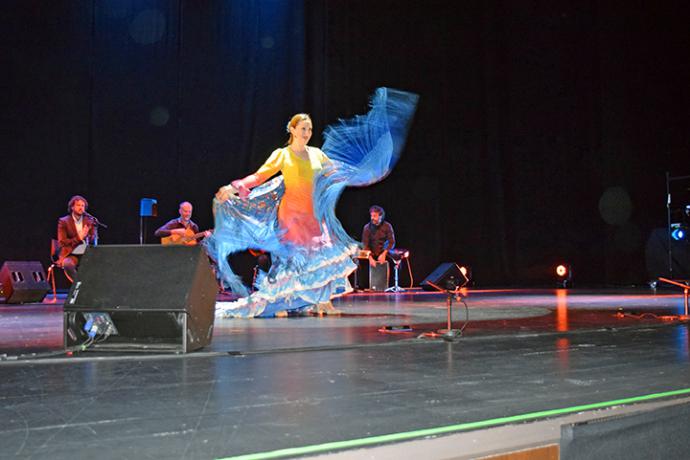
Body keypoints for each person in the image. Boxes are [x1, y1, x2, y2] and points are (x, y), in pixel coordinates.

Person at [208, 87, 419, 318]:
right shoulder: (283, 154)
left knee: (322, 257)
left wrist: (364, 173)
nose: (307, 132)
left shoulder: (317, 154)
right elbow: (260, 176)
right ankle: (283, 302)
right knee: (293, 260)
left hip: (314, 214)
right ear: (293, 129)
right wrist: (233, 187)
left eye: (309, 129)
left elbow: (336, 172)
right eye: (303, 128)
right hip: (291, 215)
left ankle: (323, 302)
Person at [57, 195, 97, 282]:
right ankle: (79, 286)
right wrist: (79, 238)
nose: (81, 208)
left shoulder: (89, 221)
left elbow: (93, 240)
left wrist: (91, 236)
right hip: (71, 253)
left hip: (86, 253)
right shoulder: (64, 221)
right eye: (78, 205)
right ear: (72, 207)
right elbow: (62, 242)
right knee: (68, 264)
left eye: (83, 206)